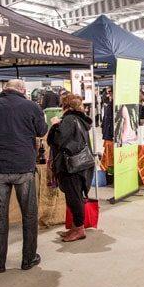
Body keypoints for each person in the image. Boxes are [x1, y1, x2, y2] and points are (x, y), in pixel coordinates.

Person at [0, 79, 48, 273]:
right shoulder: (31, 107)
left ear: (4, 89)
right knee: (29, 215)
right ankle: (29, 258)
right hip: (23, 167)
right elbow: (42, 132)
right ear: (23, 90)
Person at [48, 94, 95, 242]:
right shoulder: (80, 119)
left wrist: (55, 125)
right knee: (75, 196)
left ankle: (79, 228)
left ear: (66, 106)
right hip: (81, 164)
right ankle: (75, 227)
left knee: (74, 198)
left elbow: (56, 141)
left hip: (72, 166)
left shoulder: (68, 120)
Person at [100, 87, 114, 171]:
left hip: (111, 135)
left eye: (110, 92)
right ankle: (109, 170)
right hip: (109, 135)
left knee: (110, 156)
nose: (109, 94)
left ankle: (110, 170)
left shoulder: (114, 103)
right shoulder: (110, 103)